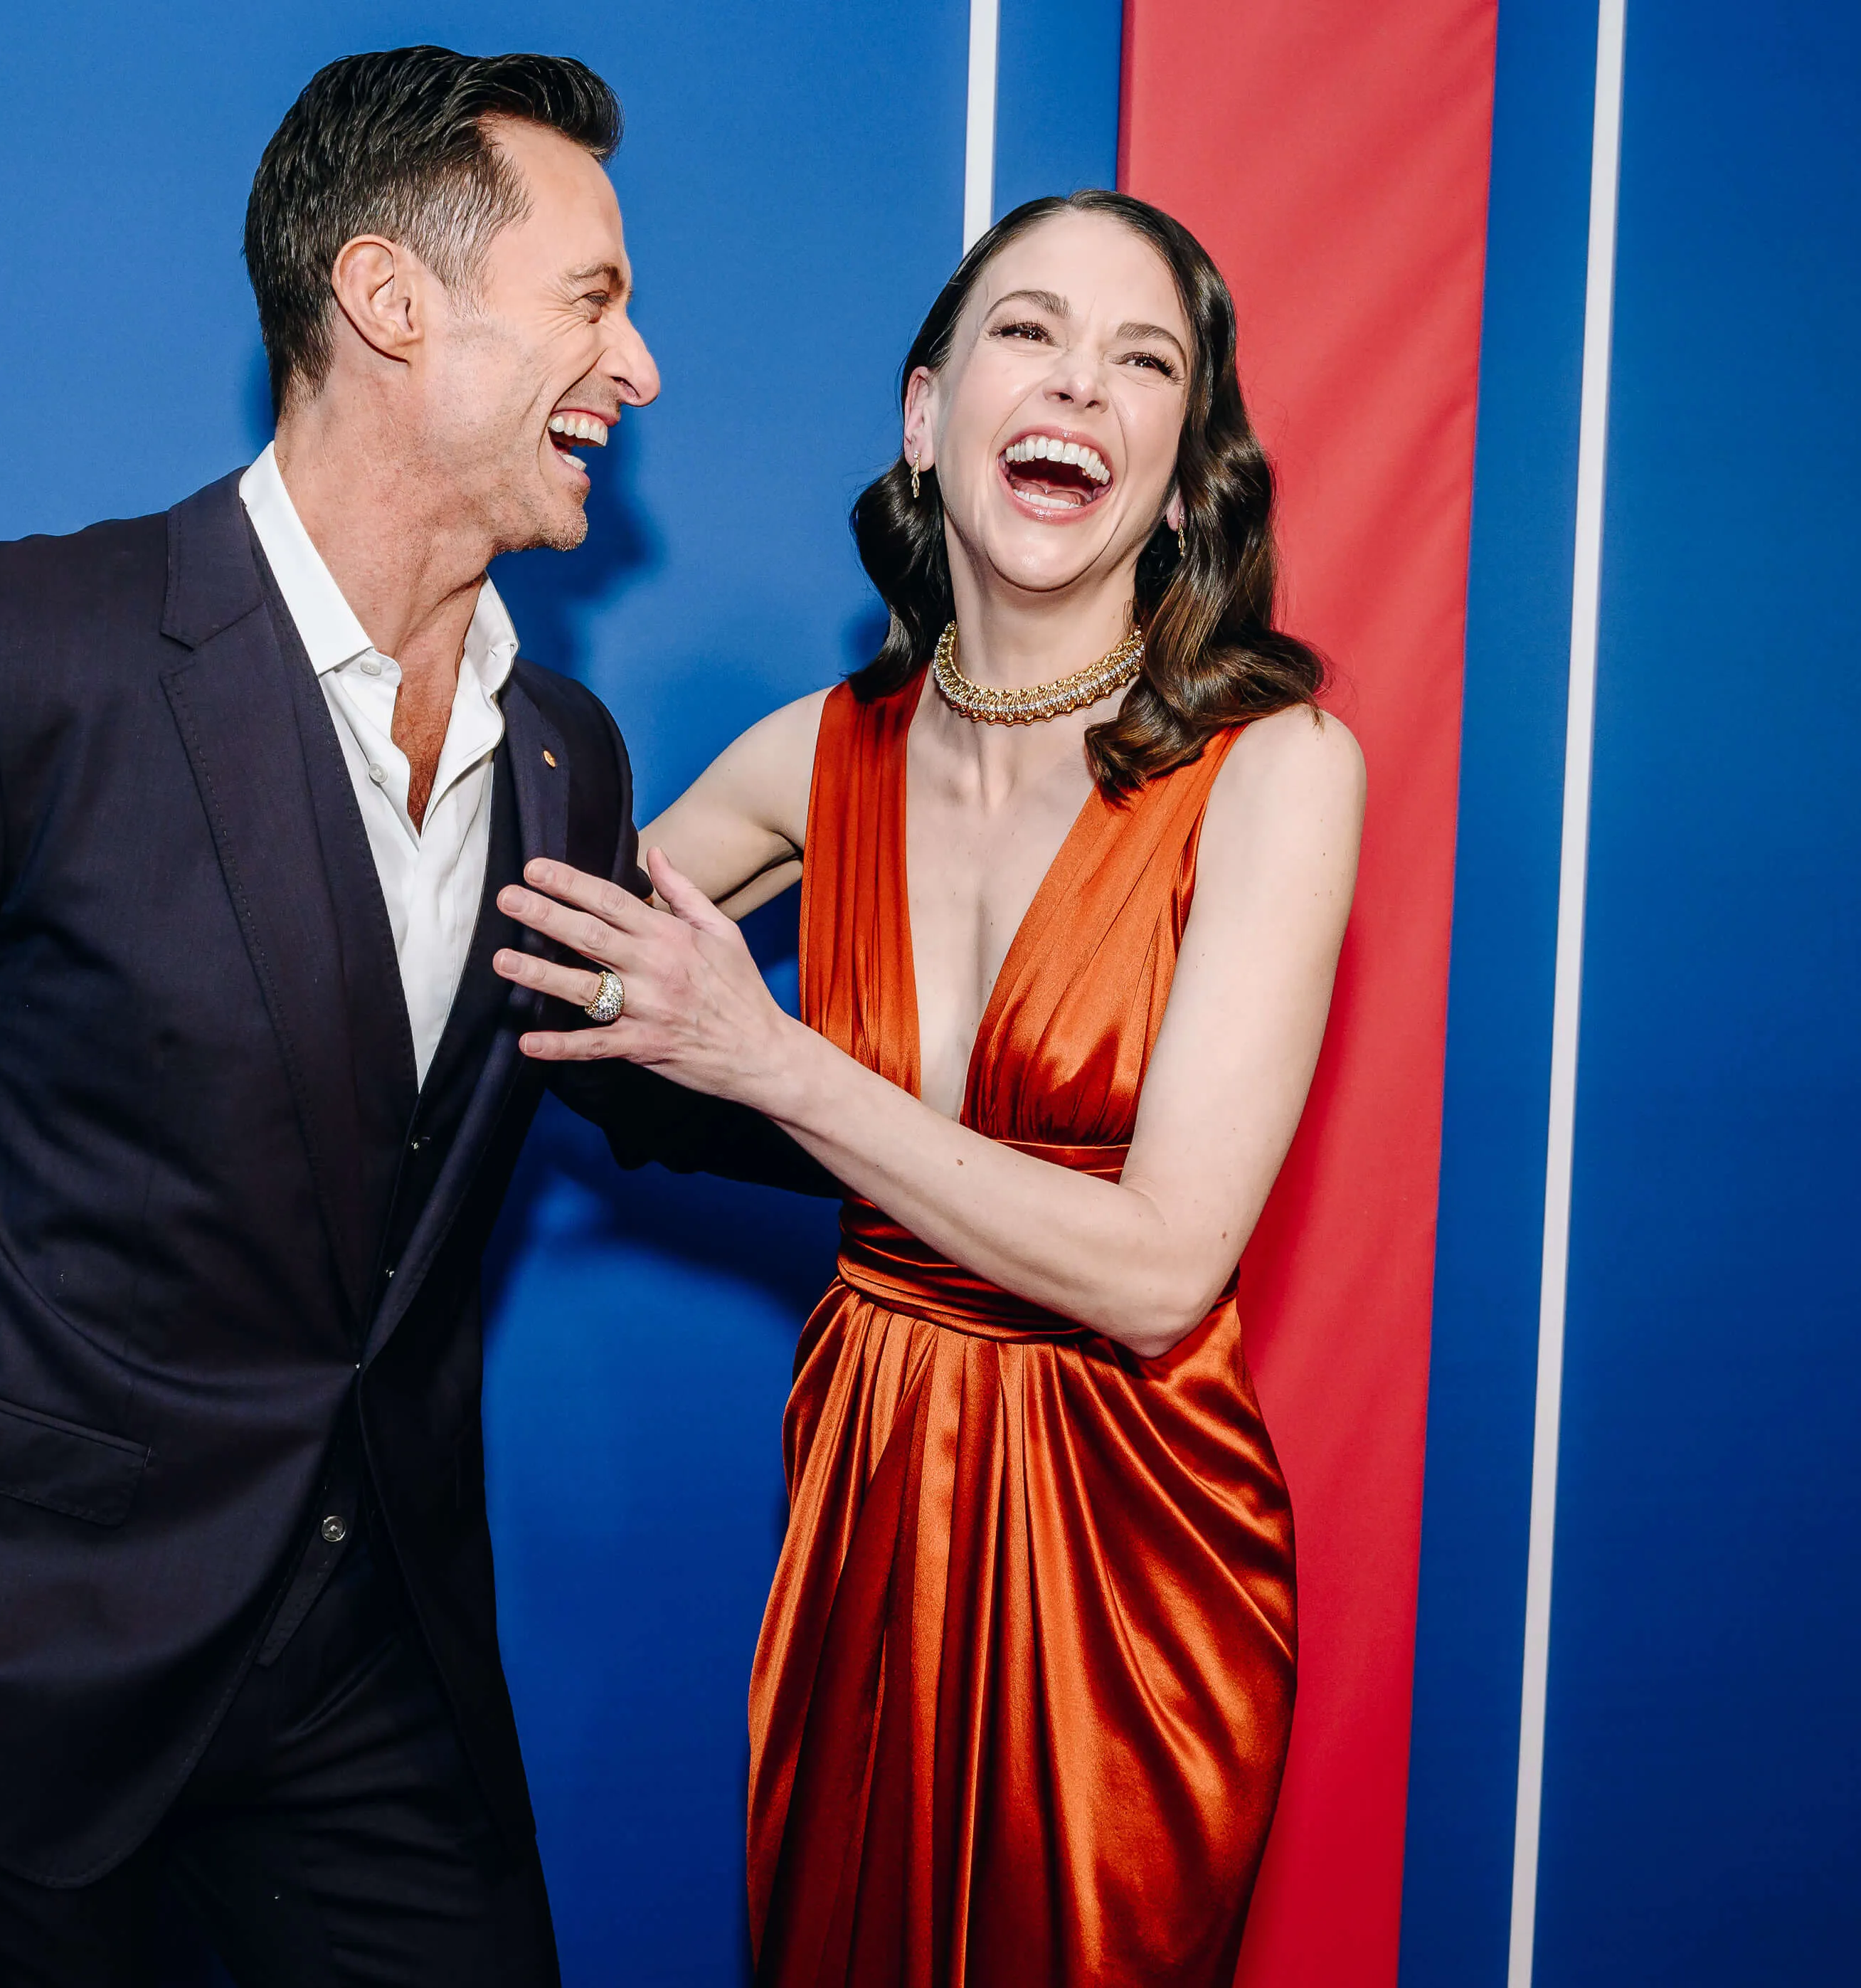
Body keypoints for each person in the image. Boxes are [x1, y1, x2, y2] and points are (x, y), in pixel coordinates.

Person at [0, 48, 669, 1987]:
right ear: (389, 298)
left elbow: (618, 1091)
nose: (643, 366)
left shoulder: (563, 753)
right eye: (594, 298)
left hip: (377, 1691)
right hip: (0, 1688)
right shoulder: (19, 661)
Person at [492, 191, 1364, 1986]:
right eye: (1032, 331)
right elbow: (534, 958)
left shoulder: (1281, 768)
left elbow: (1157, 1267)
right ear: (926, 408)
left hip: (1131, 1549)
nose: (1083, 388)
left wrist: (775, 1060)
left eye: (1147, 363)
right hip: (872, 1494)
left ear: (1181, 466)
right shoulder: (823, 755)